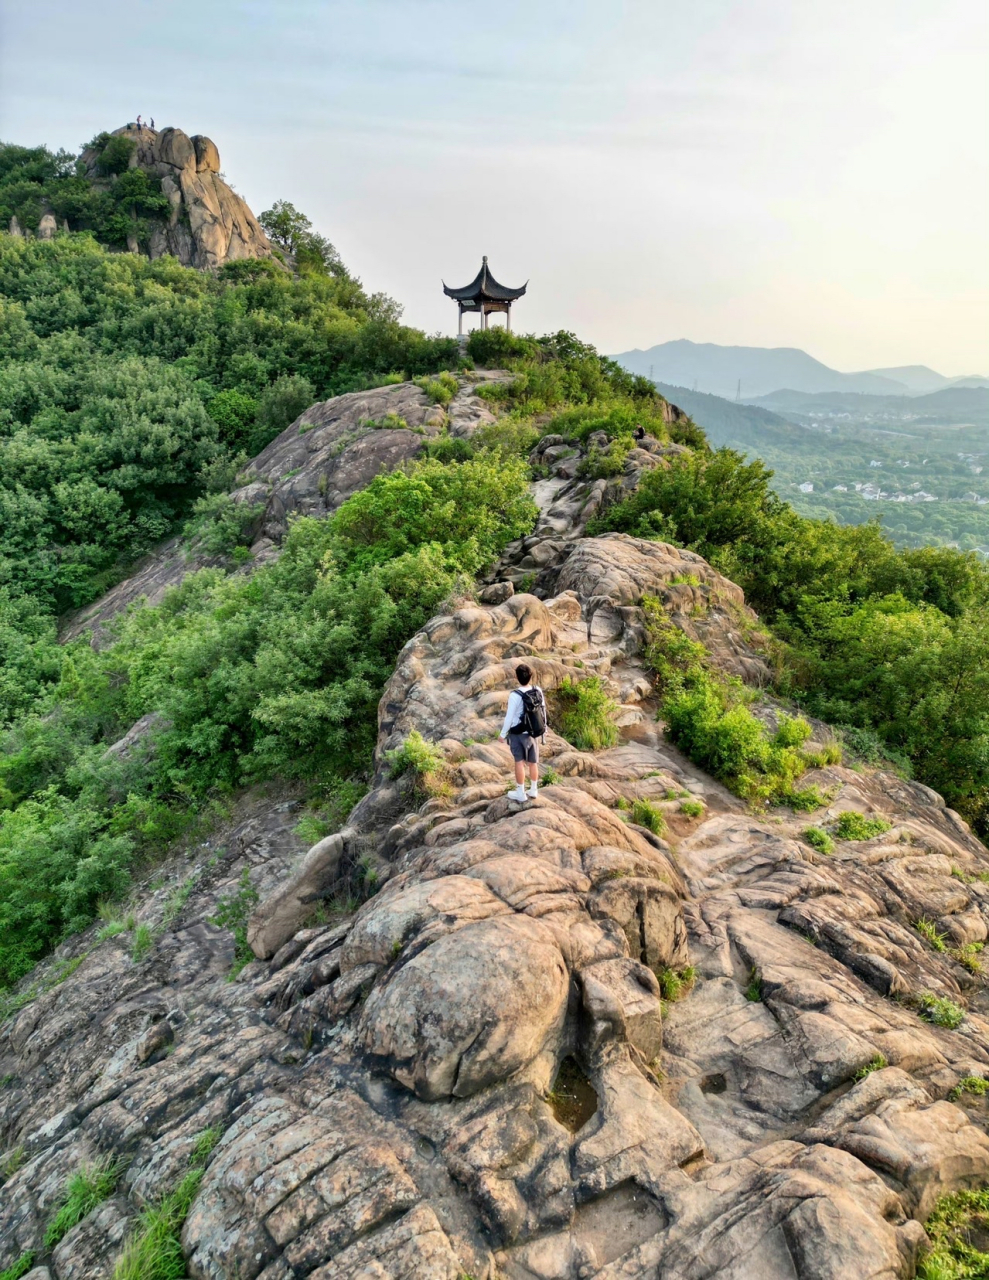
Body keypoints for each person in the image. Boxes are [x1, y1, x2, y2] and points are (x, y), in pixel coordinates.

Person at [499, 662, 547, 803]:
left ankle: (520, 792)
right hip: (533, 731)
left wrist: (502, 734)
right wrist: (544, 728)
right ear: (530, 676)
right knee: (533, 762)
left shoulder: (515, 695)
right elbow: (543, 709)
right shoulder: (537, 689)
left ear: (517, 677)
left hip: (518, 733)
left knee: (519, 762)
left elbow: (509, 717)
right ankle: (533, 790)